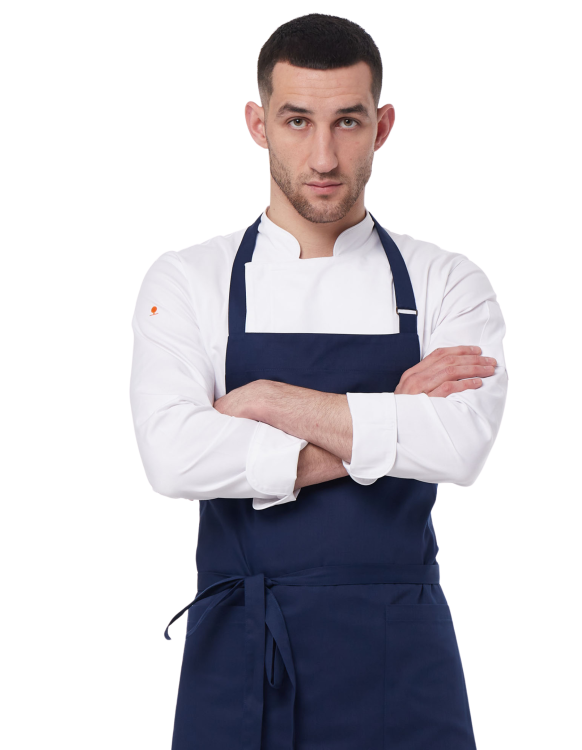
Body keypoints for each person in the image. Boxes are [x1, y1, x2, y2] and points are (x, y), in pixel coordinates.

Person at [129, 12, 507, 750]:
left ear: (383, 126)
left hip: (402, 652)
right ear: (258, 123)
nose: (324, 156)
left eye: (348, 122)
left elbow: (460, 448)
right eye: (298, 121)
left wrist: (268, 402)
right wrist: (392, 417)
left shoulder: (447, 279)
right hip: (243, 646)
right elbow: (172, 459)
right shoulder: (188, 278)